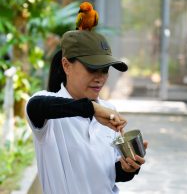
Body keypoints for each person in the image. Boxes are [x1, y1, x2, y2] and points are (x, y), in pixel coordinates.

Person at [26, 30, 147, 194]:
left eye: (105, 70)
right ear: (66, 65)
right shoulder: (48, 108)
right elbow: (35, 106)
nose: (100, 78)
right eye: (92, 68)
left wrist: (128, 168)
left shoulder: (109, 110)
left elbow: (108, 174)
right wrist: (92, 109)